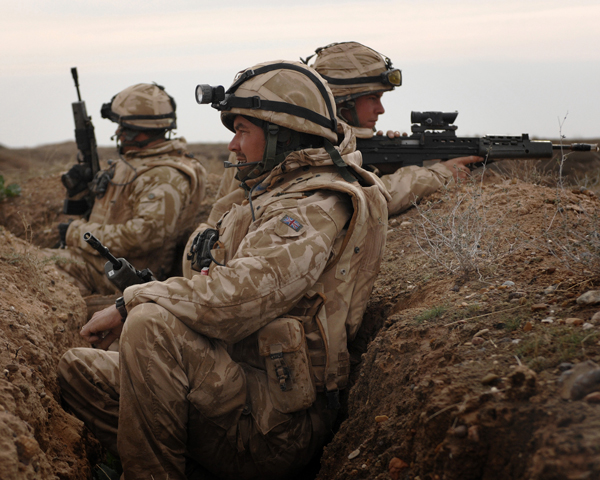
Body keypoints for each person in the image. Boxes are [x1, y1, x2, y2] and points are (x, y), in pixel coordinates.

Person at [57, 60, 390, 479]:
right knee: (79, 368)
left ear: (281, 135)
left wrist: (131, 302)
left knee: (148, 325)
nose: (233, 145)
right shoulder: (271, 191)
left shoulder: (314, 206)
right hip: (234, 383)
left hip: (273, 423)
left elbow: (237, 298)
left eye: (242, 131)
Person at [50, 83, 207, 295]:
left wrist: (76, 233)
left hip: (121, 276)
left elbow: (144, 235)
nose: (118, 133)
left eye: (123, 128)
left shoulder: (163, 176)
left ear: (139, 132)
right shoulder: (137, 162)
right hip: (100, 262)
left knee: (39, 267)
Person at [308, 41, 483, 216]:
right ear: (344, 102)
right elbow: (359, 203)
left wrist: (381, 167)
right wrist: (439, 174)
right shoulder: (312, 146)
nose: (381, 109)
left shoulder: (330, 142)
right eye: (372, 98)